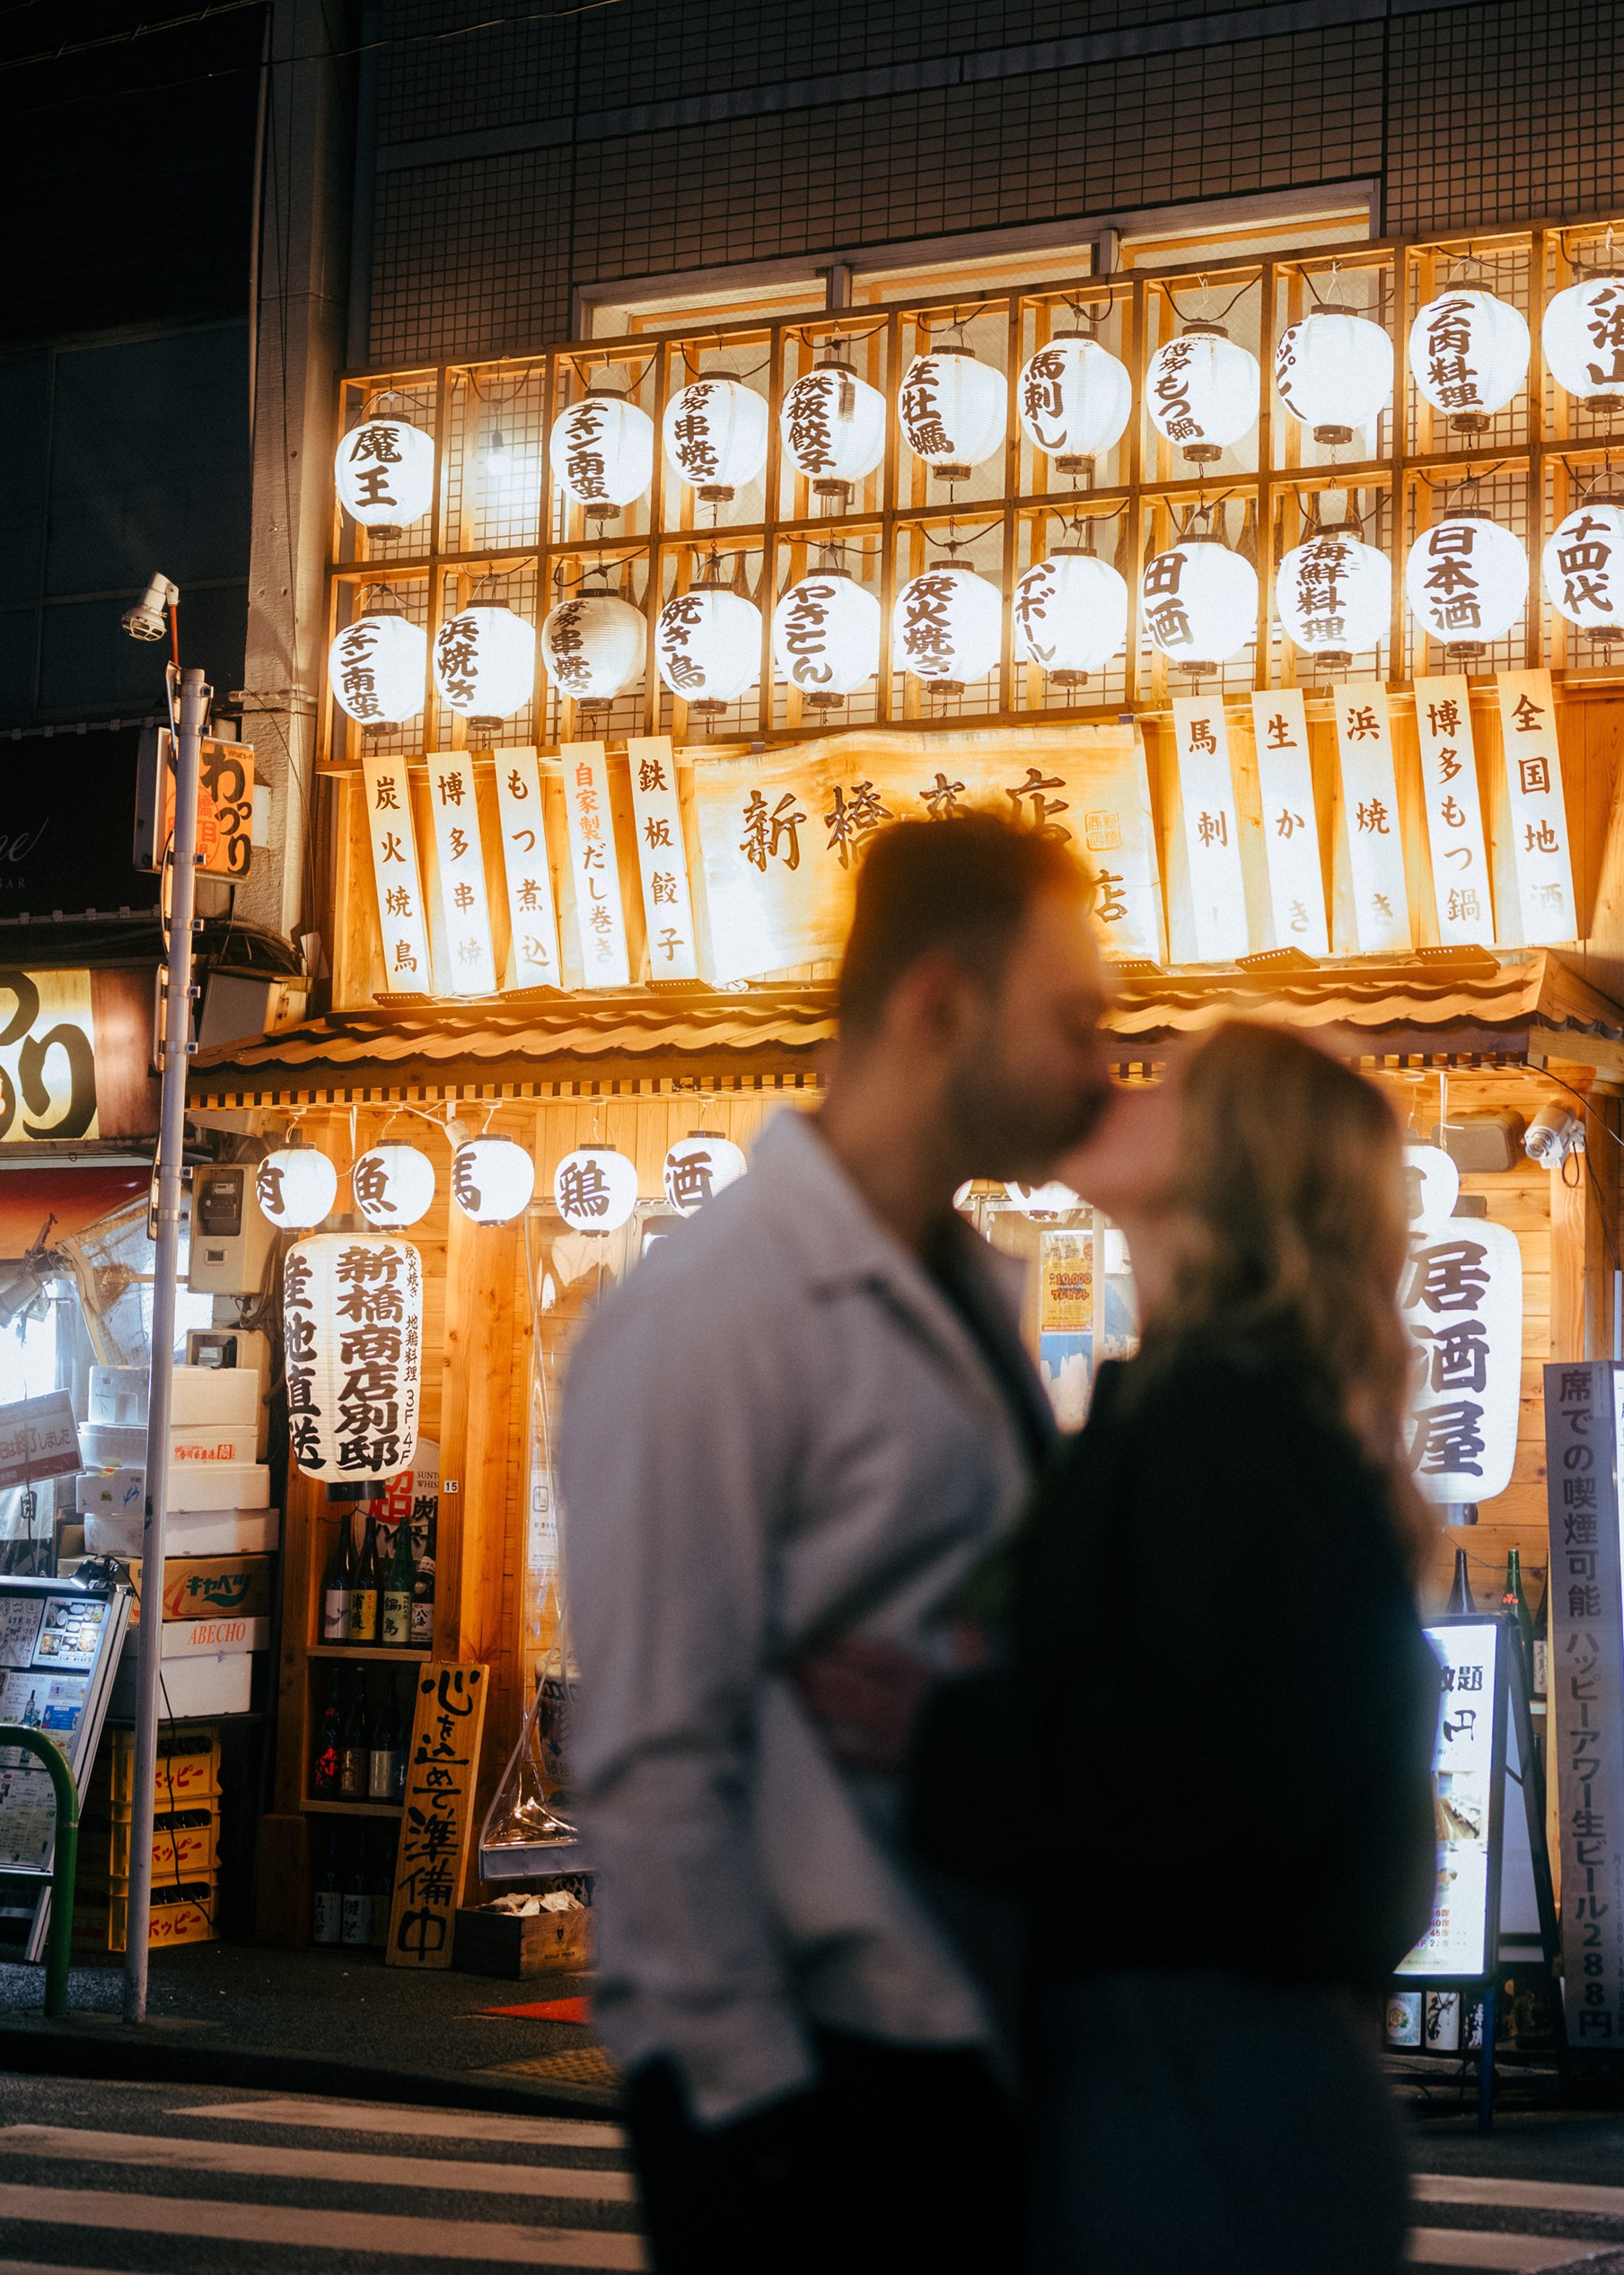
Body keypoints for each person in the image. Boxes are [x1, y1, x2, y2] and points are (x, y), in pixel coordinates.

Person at [559, 811, 1110, 2274]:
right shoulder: (716, 1310)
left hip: (970, 2037)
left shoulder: (970, 1292)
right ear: (941, 1006)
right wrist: (750, 2107)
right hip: (821, 2073)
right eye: (1073, 1022)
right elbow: (650, 1751)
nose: (1100, 1069)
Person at [800, 1018, 1440, 2275]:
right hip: (1236, 2077)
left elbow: (1187, 1781)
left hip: (1197, 2088)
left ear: (1227, 1160)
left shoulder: (1221, 1422)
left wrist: (936, 1733)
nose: (1124, 1085)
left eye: (1177, 1085)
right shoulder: (1241, 1405)